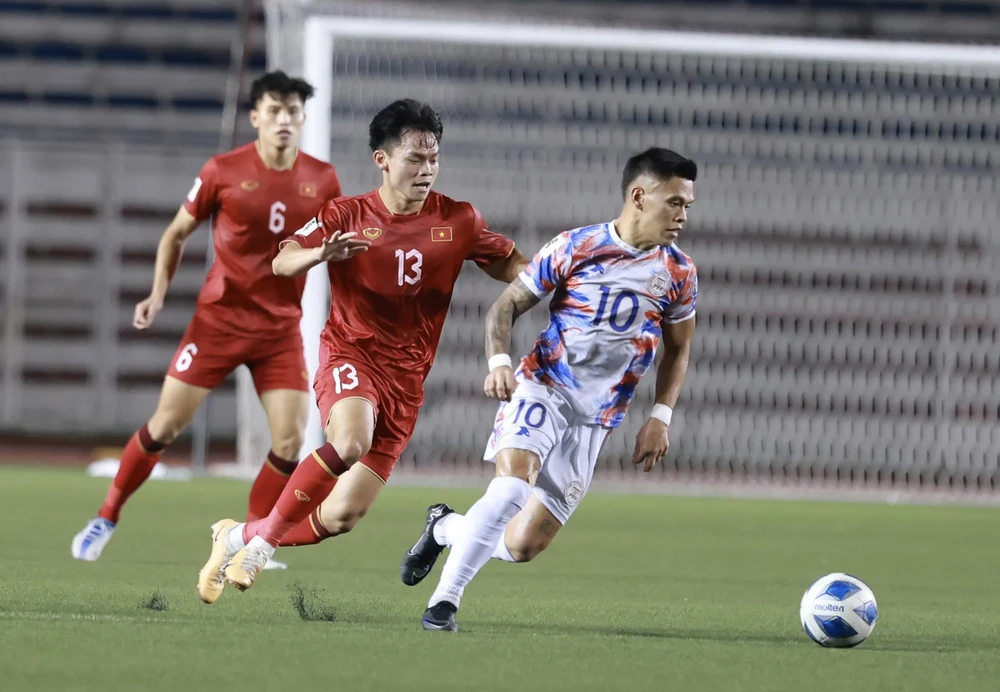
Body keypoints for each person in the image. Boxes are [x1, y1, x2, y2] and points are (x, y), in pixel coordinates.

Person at [196, 98, 530, 604]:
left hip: (407, 381)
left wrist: (546, 283)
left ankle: (236, 536)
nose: (427, 170)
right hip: (351, 356)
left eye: (434, 158)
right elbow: (283, 261)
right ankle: (262, 546)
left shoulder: (458, 220)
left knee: (340, 517)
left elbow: (512, 265)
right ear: (383, 160)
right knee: (350, 440)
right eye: (415, 159)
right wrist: (320, 253)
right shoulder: (346, 214)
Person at [400, 147, 700, 631]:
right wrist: (499, 363)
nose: (683, 215)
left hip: (597, 418)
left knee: (522, 546)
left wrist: (660, 416)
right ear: (639, 196)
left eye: (687, 206)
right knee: (510, 488)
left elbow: (678, 349)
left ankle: (446, 527)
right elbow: (504, 307)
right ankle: (443, 605)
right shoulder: (575, 247)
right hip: (544, 387)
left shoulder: (679, 272)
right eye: (675, 202)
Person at [71, 71, 342, 565]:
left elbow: (333, 248)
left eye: (293, 112)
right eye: (275, 110)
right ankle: (106, 516)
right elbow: (175, 234)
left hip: (279, 328)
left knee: (289, 439)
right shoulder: (222, 170)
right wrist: (157, 294)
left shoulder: (323, 179)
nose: (284, 120)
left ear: (303, 119)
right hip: (218, 322)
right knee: (165, 427)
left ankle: (251, 539)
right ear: (255, 116)